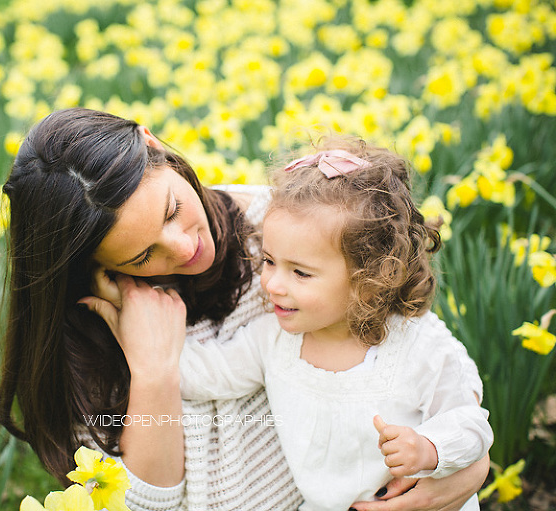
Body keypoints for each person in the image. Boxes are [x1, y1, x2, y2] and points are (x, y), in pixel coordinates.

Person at [0, 107, 490, 511]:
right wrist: (151, 373)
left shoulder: (289, 229)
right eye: (143, 255)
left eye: (172, 210)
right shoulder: (94, 330)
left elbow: (416, 356)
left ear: (155, 145)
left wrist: (465, 469)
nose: (185, 245)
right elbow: (146, 506)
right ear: (91, 266)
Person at [177, 140, 493, 510]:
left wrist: (430, 449)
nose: (273, 284)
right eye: (269, 261)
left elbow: (472, 426)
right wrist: (136, 336)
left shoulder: (416, 344)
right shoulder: (274, 339)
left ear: (371, 277)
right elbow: (205, 373)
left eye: (300, 272)